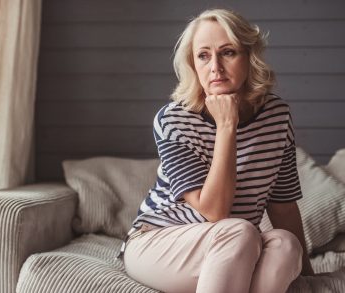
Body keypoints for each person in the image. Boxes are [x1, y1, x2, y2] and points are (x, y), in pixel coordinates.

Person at [122, 8, 314, 293]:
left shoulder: (277, 116)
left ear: (250, 57)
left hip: (235, 245)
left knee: (286, 245)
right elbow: (215, 211)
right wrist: (227, 125)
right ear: (193, 64)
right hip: (158, 241)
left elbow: (283, 205)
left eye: (227, 52)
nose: (215, 67)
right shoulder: (173, 119)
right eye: (203, 55)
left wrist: (309, 273)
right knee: (240, 230)